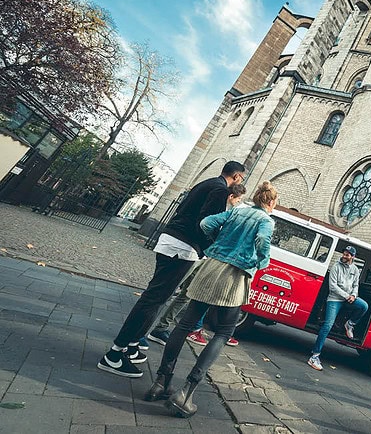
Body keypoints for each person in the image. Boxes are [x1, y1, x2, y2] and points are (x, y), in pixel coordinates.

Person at [97, 161, 245, 378]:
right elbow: (205, 224)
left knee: (156, 299)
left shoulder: (208, 183)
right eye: (242, 178)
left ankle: (129, 345)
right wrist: (210, 248)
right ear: (237, 176)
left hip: (174, 241)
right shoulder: (220, 189)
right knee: (153, 299)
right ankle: (114, 354)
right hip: (182, 247)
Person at [146, 181, 277, 417]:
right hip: (234, 274)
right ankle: (186, 392)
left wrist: (216, 241)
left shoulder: (237, 211)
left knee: (184, 324)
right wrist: (262, 261)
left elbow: (207, 223)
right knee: (224, 332)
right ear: (271, 202)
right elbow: (262, 241)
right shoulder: (266, 221)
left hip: (211, 266)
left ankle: (161, 382)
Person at [147, 183, 248, 348]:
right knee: (171, 289)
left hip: (204, 256)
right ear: (232, 197)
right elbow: (205, 225)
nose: (239, 202)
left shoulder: (229, 211)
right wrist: (210, 243)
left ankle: (161, 327)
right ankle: (144, 331)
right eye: (239, 199)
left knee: (186, 294)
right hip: (198, 253)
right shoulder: (221, 209)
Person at [307, 245, 368, 371]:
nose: (344, 256)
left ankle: (350, 324)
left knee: (364, 306)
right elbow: (332, 286)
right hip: (334, 299)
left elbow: (356, 285)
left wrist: (354, 295)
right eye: (344, 254)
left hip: (348, 298)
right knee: (327, 325)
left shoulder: (355, 269)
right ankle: (314, 356)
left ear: (353, 257)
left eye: (347, 255)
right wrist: (347, 296)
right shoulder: (336, 266)